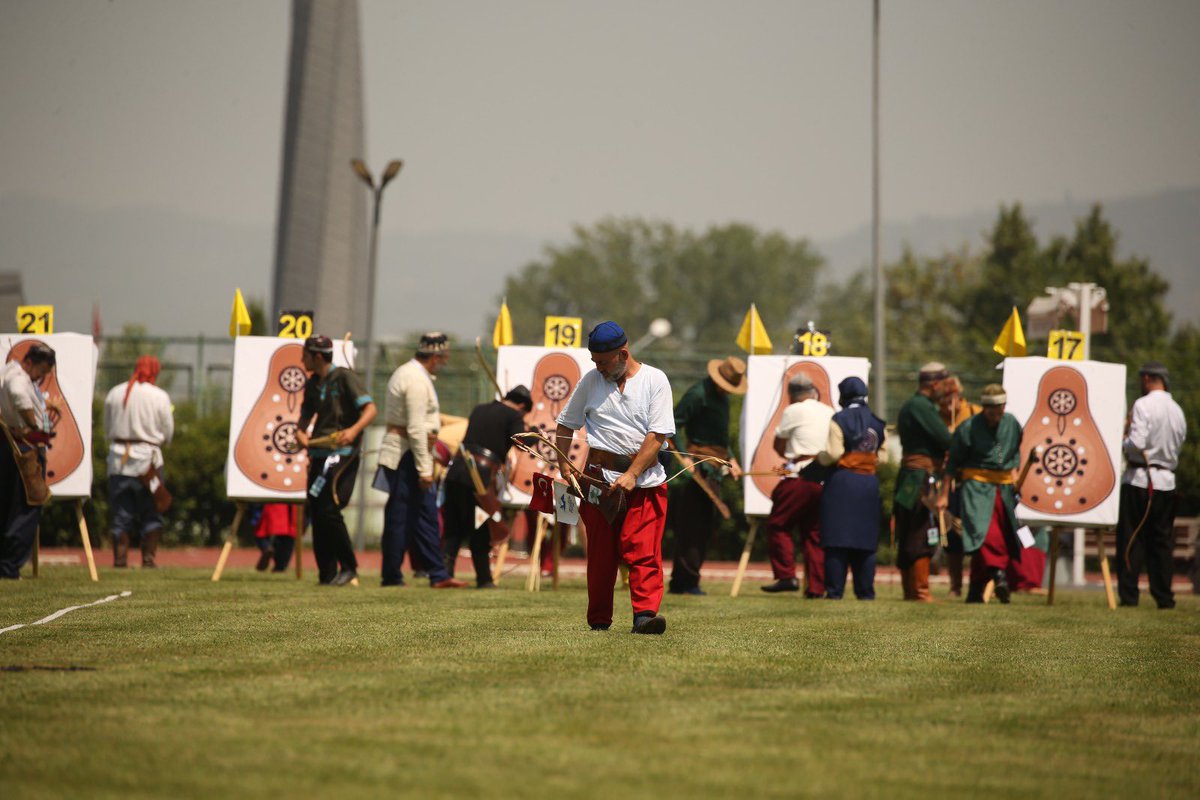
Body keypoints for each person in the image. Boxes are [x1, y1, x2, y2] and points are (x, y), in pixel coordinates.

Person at [555, 321, 675, 634]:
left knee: (643, 551)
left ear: (623, 353)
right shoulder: (591, 381)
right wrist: (564, 465)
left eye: (604, 362)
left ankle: (645, 617)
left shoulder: (655, 380)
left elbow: (658, 434)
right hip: (599, 482)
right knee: (601, 557)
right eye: (595, 362)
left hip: (645, 483)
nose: (599, 368)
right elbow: (565, 425)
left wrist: (634, 473)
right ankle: (598, 621)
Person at [376, 332, 466, 589]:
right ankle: (392, 575)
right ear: (435, 356)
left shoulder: (414, 374)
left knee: (424, 514)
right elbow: (416, 427)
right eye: (444, 357)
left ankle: (437, 573)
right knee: (401, 515)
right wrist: (425, 469)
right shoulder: (415, 378)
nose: (445, 362)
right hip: (408, 454)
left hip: (411, 453)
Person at [295, 335, 376, 586]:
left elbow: (371, 409)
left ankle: (349, 566)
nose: (302, 360)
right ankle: (326, 573)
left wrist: (352, 431)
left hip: (341, 454)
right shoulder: (312, 383)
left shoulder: (344, 377)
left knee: (330, 508)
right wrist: (300, 434)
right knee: (318, 510)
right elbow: (305, 418)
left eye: (305, 355)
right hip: (318, 454)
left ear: (317, 356)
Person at [666, 356, 745, 596]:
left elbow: (720, 438)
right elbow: (673, 424)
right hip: (696, 471)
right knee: (691, 527)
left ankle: (686, 581)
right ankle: (685, 582)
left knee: (703, 527)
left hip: (715, 469)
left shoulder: (723, 397)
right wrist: (685, 456)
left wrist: (731, 459)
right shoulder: (697, 394)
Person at [441, 385, 532, 587]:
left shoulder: (480, 409)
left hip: (457, 469)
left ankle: (443, 574)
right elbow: (521, 442)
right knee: (481, 525)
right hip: (480, 476)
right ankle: (484, 579)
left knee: (453, 525)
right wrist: (533, 433)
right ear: (522, 405)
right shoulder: (514, 415)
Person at [943, 384, 1023, 603]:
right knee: (984, 534)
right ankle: (999, 574)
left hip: (1003, 489)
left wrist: (1015, 473)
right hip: (975, 489)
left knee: (1001, 535)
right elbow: (952, 463)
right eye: (990, 411)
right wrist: (943, 494)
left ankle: (975, 593)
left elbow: (1016, 451)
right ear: (984, 408)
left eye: (999, 411)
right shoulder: (968, 428)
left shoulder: (1012, 424)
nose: (994, 416)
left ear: (1004, 407)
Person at [1116, 361, 1187, 609]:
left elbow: (1136, 442)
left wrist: (1121, 441)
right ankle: (1164, 597)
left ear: (1147, 378)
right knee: (1161, 542)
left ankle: (1129, 596)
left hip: (1140, 479)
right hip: (1166, 481)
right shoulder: (1177, 410)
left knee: (1131, 538)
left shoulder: (1143, 405)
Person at [761, 373, 834, 595]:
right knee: (814, 532)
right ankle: (816, 586)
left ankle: (786, 575)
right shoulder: (829, 411)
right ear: (813, 392)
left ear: (791, 395)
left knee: (778, 524)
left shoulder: (793, 410)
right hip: (825, 476)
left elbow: (779, 444)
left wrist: (790, 457)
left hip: (801, 474)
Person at [817, 377, 886, 600]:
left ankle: (835, 591)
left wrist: (820, 457)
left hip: (842, 482)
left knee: (836, 538)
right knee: (865, 541)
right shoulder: (877, 422)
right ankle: (865, 592)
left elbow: (834, 453)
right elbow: (882, 457)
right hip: (868, 484)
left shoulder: (839, 419)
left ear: (843, 395)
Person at [103, 355, 174, 568]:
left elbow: (107, 427)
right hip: (148, 462)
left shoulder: (114, 393)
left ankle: (120, 559)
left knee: (121, 512)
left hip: (118, 460)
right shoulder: (159, 396)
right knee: (152, 510)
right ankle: (148, 559)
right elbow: (168, 430)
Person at [892, 362, 953, 602]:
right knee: (921, 531)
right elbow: (946, 440)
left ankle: (911, 590)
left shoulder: (912, 405)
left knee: (907, 532)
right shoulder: (922, 407)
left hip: (909, 477)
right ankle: (920, 590)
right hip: (921, 479)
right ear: (935, 384)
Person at [0, 343, 56, 579]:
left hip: (12, 441)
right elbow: (19, 396)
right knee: (27, 504)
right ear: (30, 363)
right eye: (40, 371)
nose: (41, 377)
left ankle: (6, 564)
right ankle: (9, 565)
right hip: (24, 444)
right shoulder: (18, 377)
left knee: (9, 504)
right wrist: (33, 425)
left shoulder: (10, 372)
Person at [938, 375, 980, 596]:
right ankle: (955, 585)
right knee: (951, 535)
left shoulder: (975, 412)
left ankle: (979, 583)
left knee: (975, 533)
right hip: (949, 484)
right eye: (942, 400)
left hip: (974, 482)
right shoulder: (938, 417)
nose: (946, 404)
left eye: (949, 398)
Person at [254, 503, 297, 572]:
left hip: (273, 503)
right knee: (287, 538)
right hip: (293, 505)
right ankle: (280, 566)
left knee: (261, 533)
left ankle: (266, 546)